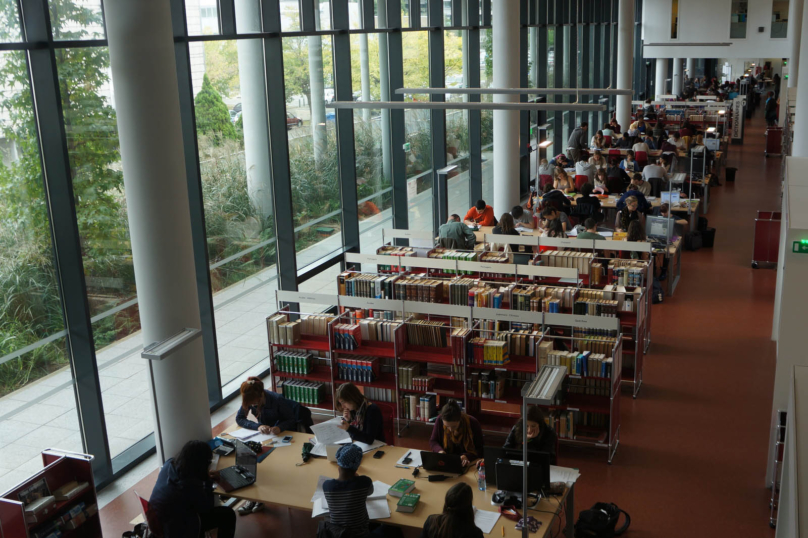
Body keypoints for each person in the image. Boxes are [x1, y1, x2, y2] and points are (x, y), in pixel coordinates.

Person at [149, 441, 236, 538]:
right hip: (176, 529)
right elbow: (207, 508)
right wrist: (208, 481)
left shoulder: (169, 464)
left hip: (157, 521)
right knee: (228, 515)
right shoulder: (189, 486)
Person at [323, 444, 377, 538]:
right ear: (357, 467)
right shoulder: (364, 482)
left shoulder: (327, 486)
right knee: (391, 529)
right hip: (361, 535)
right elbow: (370, 492)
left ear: (338, 466)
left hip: (338, 534)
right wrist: (357, 478)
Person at [237, 376, 313, 434]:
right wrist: (258, 426)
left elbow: (291, 420)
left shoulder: (277, 400)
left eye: (255, 403)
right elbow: (239, 418)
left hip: (283, 431)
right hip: (268, 434)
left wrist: (280, 427)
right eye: (250, 404)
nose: (253, 405)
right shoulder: (249, 399)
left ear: (262, 395)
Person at [429, 400, 484, 467]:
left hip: (467, 464)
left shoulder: (473, 423)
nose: (450, 430)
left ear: (460, 419)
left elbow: (481, 449)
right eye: (447, 426)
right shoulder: (439, 420)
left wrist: (467, 456)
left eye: (454, 426)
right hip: (446, 462)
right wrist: (440, 451)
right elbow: (433, 441)